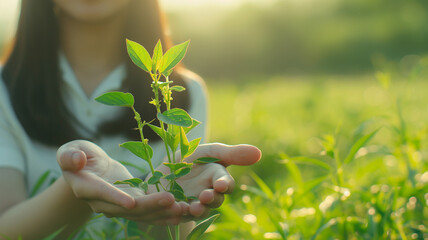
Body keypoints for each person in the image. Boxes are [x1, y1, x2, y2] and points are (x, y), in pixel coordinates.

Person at [0, 0, 261, 239]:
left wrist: (171, 201)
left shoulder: (184, 93)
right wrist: (74, 190)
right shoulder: (3, 89)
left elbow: (174, 234)